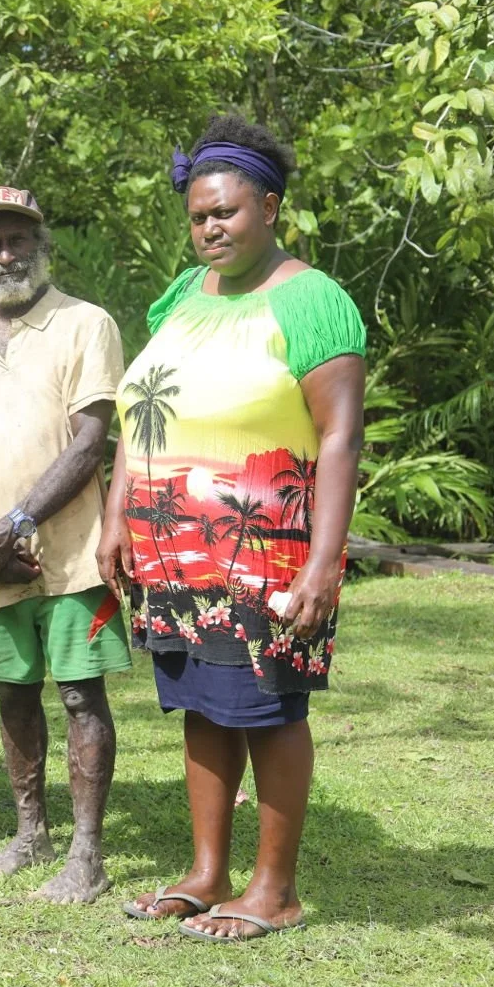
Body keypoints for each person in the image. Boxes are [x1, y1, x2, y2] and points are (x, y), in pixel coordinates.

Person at [101, 115, 365, 940]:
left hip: (266, 549)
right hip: (173, 548)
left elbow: (340, 437)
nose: (210, 228)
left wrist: (323, 562)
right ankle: (207, 871)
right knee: (203, 703)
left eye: (226, 212)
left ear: (270, 207)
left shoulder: (311, 300)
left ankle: (274, 890)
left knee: (269, 706)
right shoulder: (185, 294)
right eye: (198, 216)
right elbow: (140, 412)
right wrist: (116, 515)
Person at [0, 186, 129, 902]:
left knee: (79, 696)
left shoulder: (85, 324)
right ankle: (30, 833)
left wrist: (12, 525)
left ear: (42, 246)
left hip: (70, 555)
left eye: (17, 240)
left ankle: (87, 856)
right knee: (13, 695)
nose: (5, 255)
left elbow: (89, 443)